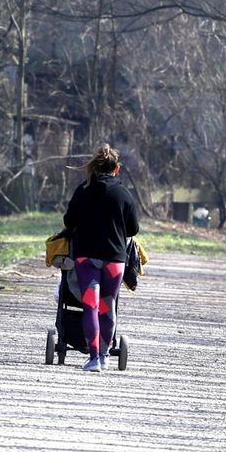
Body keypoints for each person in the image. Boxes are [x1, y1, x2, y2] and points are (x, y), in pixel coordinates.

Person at [62, 143, 139, 372]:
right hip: (115, 260)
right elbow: (133, 229)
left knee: (91, 307)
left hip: (86, 258)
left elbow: (69, 221)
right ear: (117, 170)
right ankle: (105, 355)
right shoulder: (123, 193)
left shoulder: (83, 190)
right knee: (108, 307)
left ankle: (94, 359)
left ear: (94, 168)